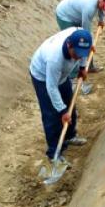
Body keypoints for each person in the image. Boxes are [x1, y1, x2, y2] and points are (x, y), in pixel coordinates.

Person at [29, 28, 92, 164]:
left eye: (82, 54)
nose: (79, 57)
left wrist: (82, 67)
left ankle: (69, 136)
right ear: (69, 45)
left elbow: (85, 52)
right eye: (77, 54)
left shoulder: (82, 39)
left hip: (62, 76)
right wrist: (62, 111)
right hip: (43, 77)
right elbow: (51, 87)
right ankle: (54, 153)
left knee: (70, 105)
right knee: (52, 115)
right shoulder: (55, 58)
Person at [55, 0, 105, 93]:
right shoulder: (89, 7)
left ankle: (89, 67)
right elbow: (85, 35)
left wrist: (101, 20)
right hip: (65, 16)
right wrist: (89, 44)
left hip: (77, 13)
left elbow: (101, 9)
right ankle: (73, 77)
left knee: (86, 45)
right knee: (77, 45)